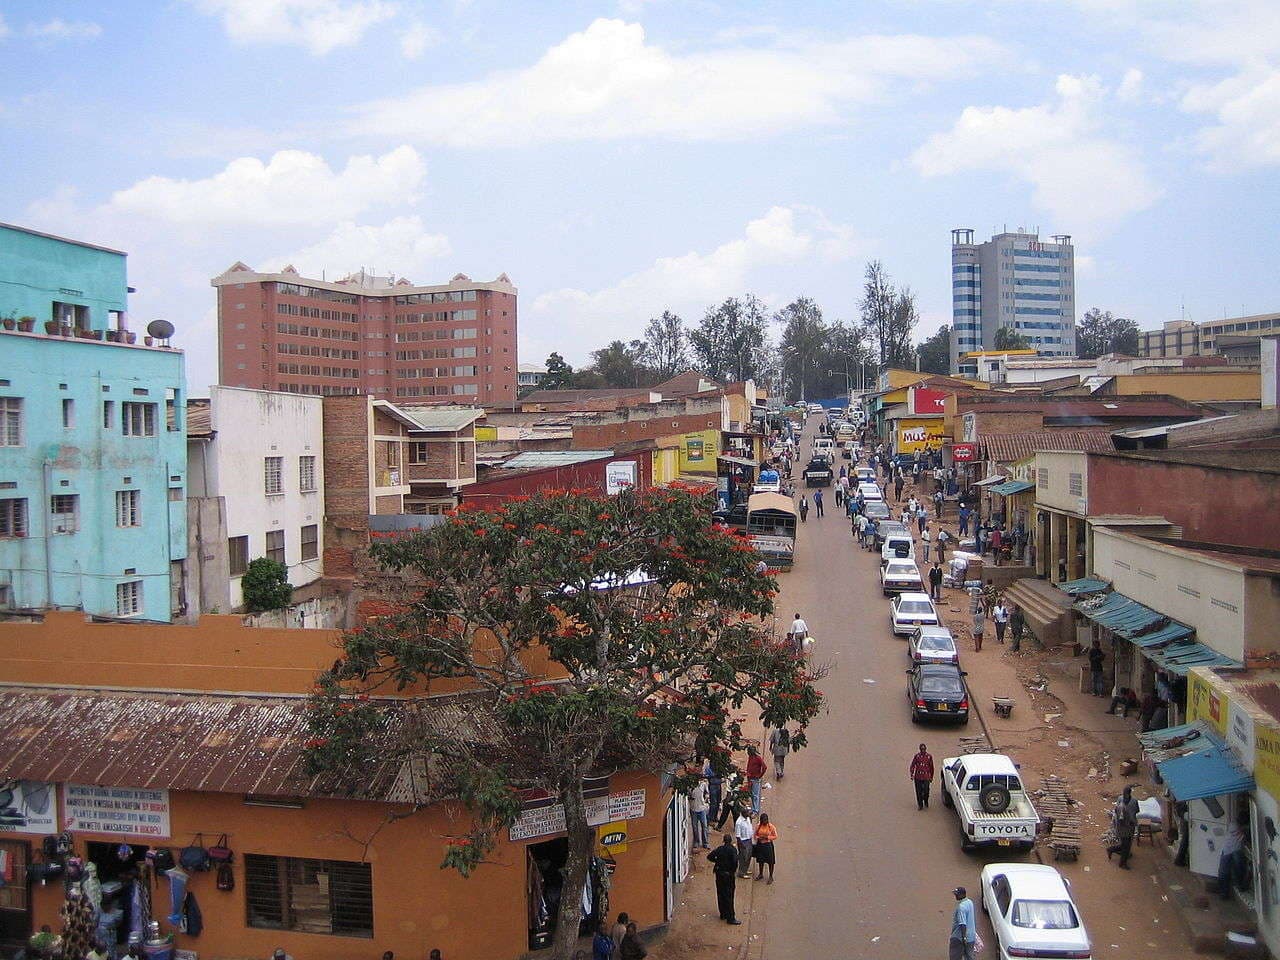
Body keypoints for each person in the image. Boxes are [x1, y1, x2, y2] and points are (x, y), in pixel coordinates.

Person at [709, 835, 742, 923]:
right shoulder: (732, 850)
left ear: (723, 841)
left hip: (719, 874)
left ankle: (723, 914)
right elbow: (735, 862)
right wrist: (732, 870)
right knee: (729, 895)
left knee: (720, 893)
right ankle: (730, 917)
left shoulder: (719, 849)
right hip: (728, 875)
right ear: (730, 841)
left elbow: (710, 856)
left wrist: (718, 862)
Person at [1107, 786, 1139, 869]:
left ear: (1129, 794)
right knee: (1126, 845)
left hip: (1129, 826)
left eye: (1126, 794)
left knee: (1126, 844)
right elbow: (1119, 816)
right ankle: (1122, 863)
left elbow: (1137, 811)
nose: (1125, 796)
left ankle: (1111, 849)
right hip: (1124, 827)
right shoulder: (1121, 803)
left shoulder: (1133, 801)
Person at [949, 886, 977, 960]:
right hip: (971, 937)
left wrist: (964, 938)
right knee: (969, 956)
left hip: (960, 937)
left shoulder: (961, 907)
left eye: (957, 894)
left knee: (955, 956)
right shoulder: (970, 902)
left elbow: (962, 924)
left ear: (962, 895)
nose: (955, 896)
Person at [752, 813, 777, 883]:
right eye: (763, 820)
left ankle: (771, 876)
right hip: (760, 845)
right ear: (761, 820)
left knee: (770, 861)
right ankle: (760, 874)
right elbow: (755, 835)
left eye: (766, 820)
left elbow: (775, 836)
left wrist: (767, 837)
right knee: (760, 860)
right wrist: (758, 838)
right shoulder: (758, 826)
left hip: (768, 845)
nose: (765, 822)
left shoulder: (771, 827)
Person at [910, 743, 935, 810]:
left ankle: (926, 800)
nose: (923, 750)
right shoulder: (917, 756)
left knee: (926, 790)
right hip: (918, 776)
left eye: (924, 749)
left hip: (926, 776)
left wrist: (931, 777)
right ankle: (920, 805)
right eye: (921, 749)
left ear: (925, 749)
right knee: (918, 791)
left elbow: (931, 768)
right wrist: (912, 774)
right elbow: (912, 765)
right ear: (920, 750)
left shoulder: (929, 757)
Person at [689, 776, 710, 849]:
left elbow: (707, 793)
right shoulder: (690, 786)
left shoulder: (703, 784)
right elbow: (688, 795)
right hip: (693, 809)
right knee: (695, 827)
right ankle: (696, 842)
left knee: (704, 826)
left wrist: (705, 800)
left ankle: (705, 842)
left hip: (702, 809)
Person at [745, 746, 767, 815]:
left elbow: (764, 767)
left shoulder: (758, 758)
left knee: (755, 795)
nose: (747, 753)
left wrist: (759, 776)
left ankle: (755, 810)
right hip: (750, 778)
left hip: (755, 779)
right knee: (751, 794)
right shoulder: (751, 757)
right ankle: (753, 809)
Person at [734, 810, 754, 878]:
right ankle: (741, 873)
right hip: (743, 841)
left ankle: (745, 870)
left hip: (749, 839)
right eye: (747, 813)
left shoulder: (748, 818)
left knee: (748, 856)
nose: (749, 813)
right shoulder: (739, 823)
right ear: (743, 814)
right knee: (743, 857)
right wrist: (741, 845)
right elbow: (738, 836)